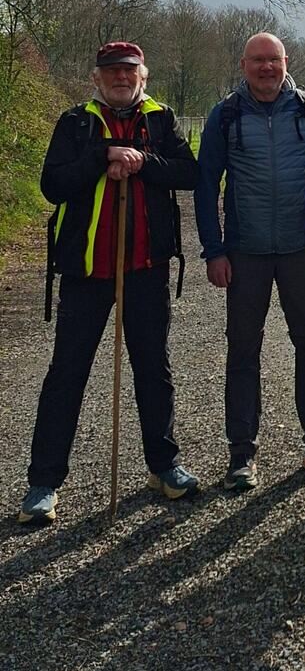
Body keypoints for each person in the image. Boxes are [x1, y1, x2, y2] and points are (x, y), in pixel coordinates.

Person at [18, 42, 199, 526]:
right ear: (96, 79)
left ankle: (163, 467)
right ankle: (43, 483)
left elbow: (190, 173)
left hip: (146, 266)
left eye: (129, 70)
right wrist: (103, 155)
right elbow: (53, 184)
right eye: (112, 71)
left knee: (153, 370)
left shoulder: (162, 120)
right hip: (85, 270)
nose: (121, 77)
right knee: (66, 373)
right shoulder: (74, 123)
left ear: (144, 74)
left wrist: (141, 160)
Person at [194, 32, 305, 491]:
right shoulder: (225, 115)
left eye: (274, 60)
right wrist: (214, 249)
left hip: (301, 250)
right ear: (243, 64)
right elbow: (206, 185)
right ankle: (241, 455)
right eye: (258, 60)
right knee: (243, 350)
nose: (266, 68)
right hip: (245, 253)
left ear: (286, 62)